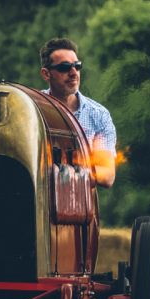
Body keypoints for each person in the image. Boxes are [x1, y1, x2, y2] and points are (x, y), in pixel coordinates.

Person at [39, 38, 117, 188]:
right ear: (46, 74)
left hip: (79, 201)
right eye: (64, 67)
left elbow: (107, 174)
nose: (74, 72)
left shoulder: (99, 115)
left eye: (77, 66)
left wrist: (69, 173)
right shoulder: (32, 108)